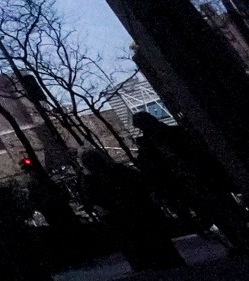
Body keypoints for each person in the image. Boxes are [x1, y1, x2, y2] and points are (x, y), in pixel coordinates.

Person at [133, 112, 248, 252]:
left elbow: (198, 155)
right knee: (219, 210)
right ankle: (238, 238)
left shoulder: (157, 143)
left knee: (221, 209)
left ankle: (238, 238)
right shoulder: (164, 140)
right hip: (193, 183)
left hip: (198, 180)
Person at [80, 147, 185, 270]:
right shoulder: (120, 171)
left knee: (137, 250)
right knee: (158, 245)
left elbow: (91, 201)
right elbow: (142, 182)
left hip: (121, 220)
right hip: (139, 212)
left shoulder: (90, 181)